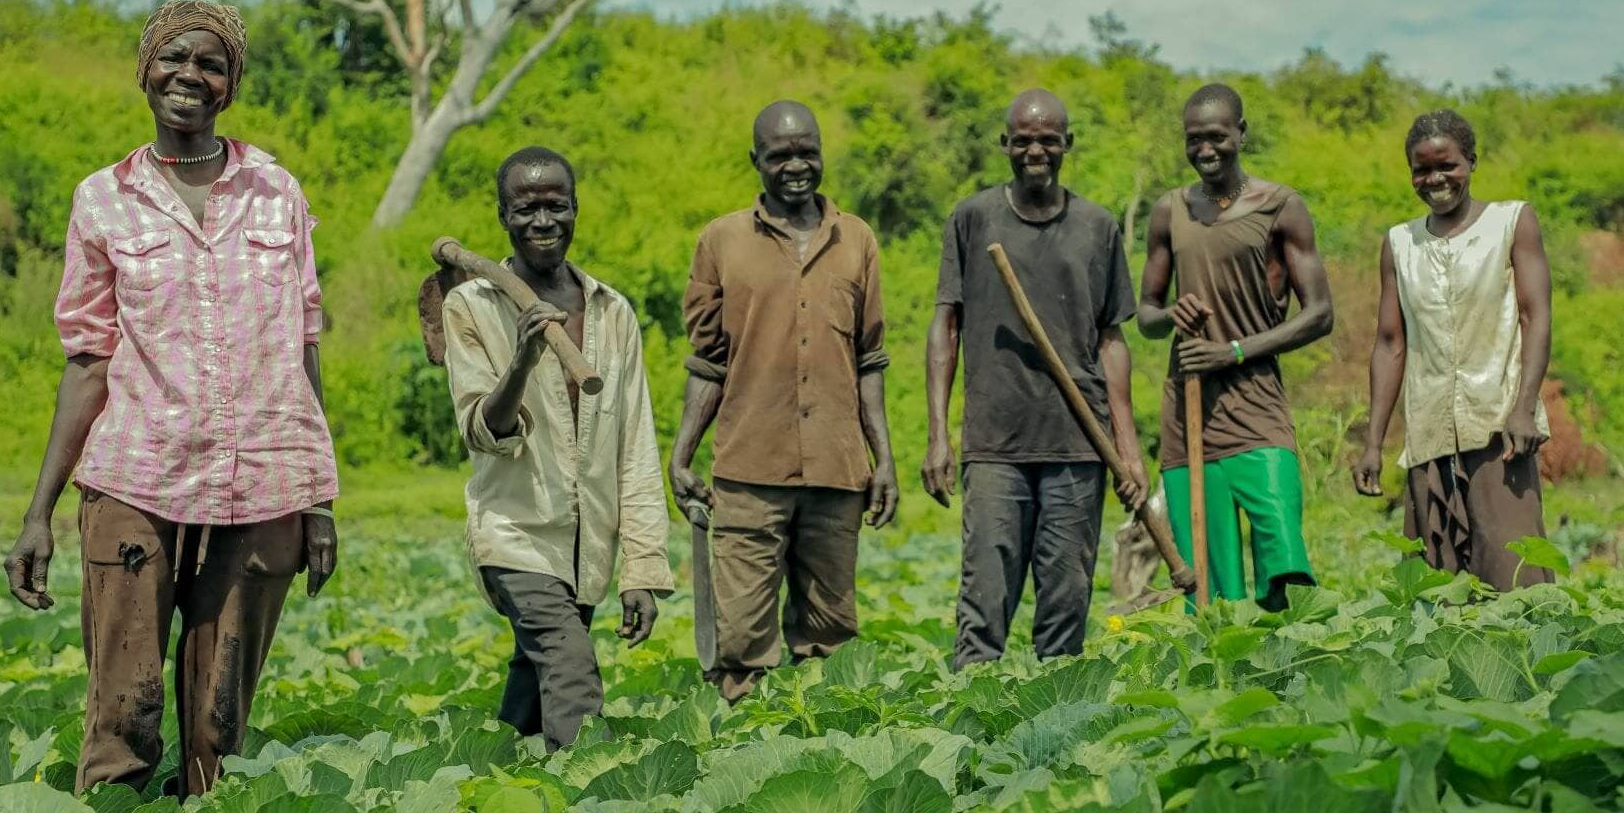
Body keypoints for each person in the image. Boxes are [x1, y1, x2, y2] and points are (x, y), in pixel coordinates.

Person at [3, 0, 339, 799]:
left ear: (229, 85)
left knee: (219, 722)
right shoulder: (103, 199)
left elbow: (303, 346)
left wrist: (319, 497)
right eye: (173, 59)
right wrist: (38, 513)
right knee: (124, 709)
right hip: (136, 474)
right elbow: (88, 361)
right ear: (146, 72)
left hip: (262, 480)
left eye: (210, 64)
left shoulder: (274, 190)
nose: (190, 75)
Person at [442, 147, 673, 747]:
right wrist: (522, 359)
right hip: (515, 533)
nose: (543, 221)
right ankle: (587, 796)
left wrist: (642, 569)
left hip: (586, 546)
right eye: (526, 209)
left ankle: (491, 778)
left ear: (575, 210)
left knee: (534, 687)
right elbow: (483, 431)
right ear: (503, 217)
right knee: (570, 667)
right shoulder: (470, 306)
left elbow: (635, 449)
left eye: (555, 206)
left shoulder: (613, 312)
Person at [672, 101, 898, 702]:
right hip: (749, 470)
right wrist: (681, 455)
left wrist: (886, 461)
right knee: (740, 641)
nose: (796, 165)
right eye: (780, 155)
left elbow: (869, 360)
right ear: (757, 161)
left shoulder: (858, 241)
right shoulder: (720, 241)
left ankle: (821, 748)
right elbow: (708, 361)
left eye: (807, 152)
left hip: (836, 469)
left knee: (831, 635)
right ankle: (741, 753)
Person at [924, 88, 1149, 668]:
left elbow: (1111, 342)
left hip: (1078, 447)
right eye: (1023, 140)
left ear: (1067, 144)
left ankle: (1058, 733)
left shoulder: (1098, 227)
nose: (1036, 150)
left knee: (1067, 605)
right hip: (995, 446)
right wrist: (937, 436)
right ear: (1005, 144)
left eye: (1048, 139)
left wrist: (1128, 448)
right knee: (983, 604)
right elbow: (945, 326)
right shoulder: (973, 219)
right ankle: (973, 739)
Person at [1136, 83, 1333, 611]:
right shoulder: (1169, 211)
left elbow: (1320, 314)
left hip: (1257, 407)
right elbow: (1146, 315)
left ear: (1240, 134)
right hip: (1189, 413)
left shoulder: (1280, 207)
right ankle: (1220, 684)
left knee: (1282, 554)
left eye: (1218, 136)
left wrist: (1237, 351)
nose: (1206, 149)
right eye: (1194, 138)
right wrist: (1169, 315)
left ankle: (1284, 676)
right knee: (1208, 582)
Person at [1354, 110, 1553, 590]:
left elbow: (1535, 316)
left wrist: (1523, 408)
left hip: (1500, 432)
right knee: (1439, 591)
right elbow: (1389, 344)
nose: (1435, 179)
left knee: (1516, 581)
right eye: (1421, 170)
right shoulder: (1400, 244)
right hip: (1429, 438)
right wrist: (1373, 444)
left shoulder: (1512, 222)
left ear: (1472, 163)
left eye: (1447, 166)